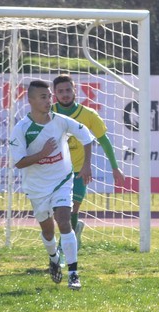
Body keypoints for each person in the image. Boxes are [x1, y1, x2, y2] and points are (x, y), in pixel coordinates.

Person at [10, 80, 95, 290]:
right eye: (43, 97)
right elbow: (19, 162)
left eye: (49, 96)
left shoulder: (61, 121)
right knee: (48, 232)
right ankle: (53, 258)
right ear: (30, 100)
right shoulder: (21, 128)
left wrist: (86, 166)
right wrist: (43, 154)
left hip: (62, 180)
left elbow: (86, 137)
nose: (49, 101)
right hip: (37, 187)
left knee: (64, 221)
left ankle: (73, 274)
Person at [52, 74, 125, 244]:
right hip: (55, 170)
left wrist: (115, 167)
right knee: (58, 213)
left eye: (68, 90)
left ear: (75, 90)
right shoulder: (49, 113)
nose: (65, 94)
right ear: (54, 93)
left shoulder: (89, 115)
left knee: (71, 209)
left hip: (79, 170)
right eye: (60, 91)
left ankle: (66, 246)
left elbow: (104, 141)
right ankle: (74, 230)